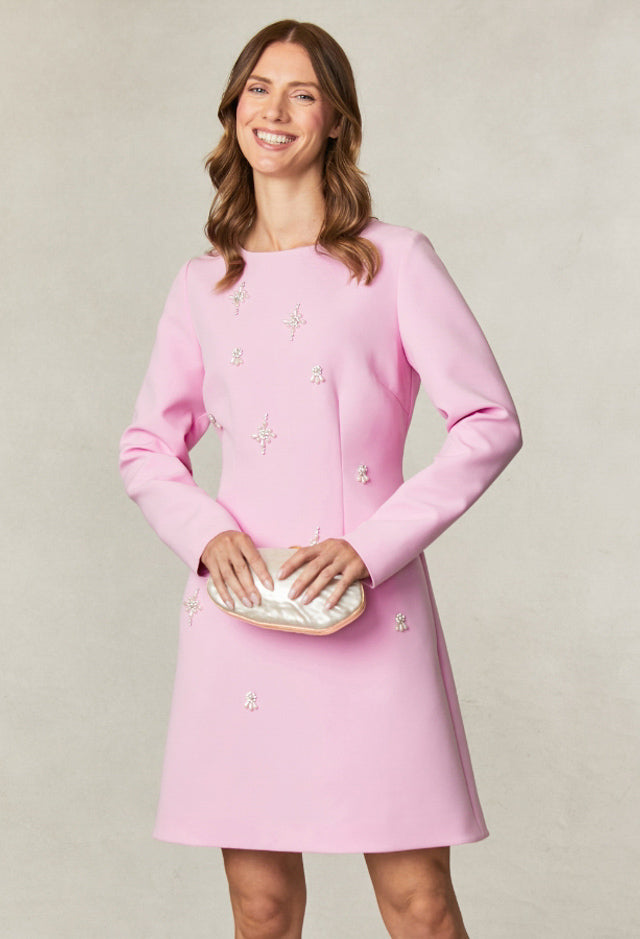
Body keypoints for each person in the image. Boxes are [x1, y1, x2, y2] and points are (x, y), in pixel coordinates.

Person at [118, 18, 522, 939]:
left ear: (335, 118)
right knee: (260, 908)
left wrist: (372, 545)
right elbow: (146, 444)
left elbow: (489, 420)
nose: (276, 110)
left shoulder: (394, 260)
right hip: (242, 616)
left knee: (419, 905)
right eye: (259, 89)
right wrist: (205, 533)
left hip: (370, 607)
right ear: (234, 110)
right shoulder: (202, 284)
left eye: (303, 93)